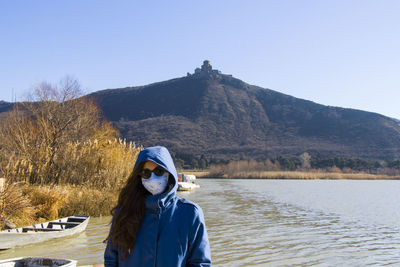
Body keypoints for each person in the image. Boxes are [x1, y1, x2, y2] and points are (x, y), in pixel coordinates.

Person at [104, 146, 211, 267]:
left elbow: (200, 262)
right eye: (146, 173)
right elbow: (111, 260)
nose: (152, 178)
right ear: (139, 177)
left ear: (169, 173)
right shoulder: (124, 212)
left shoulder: (190, 214)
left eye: (159, 171)